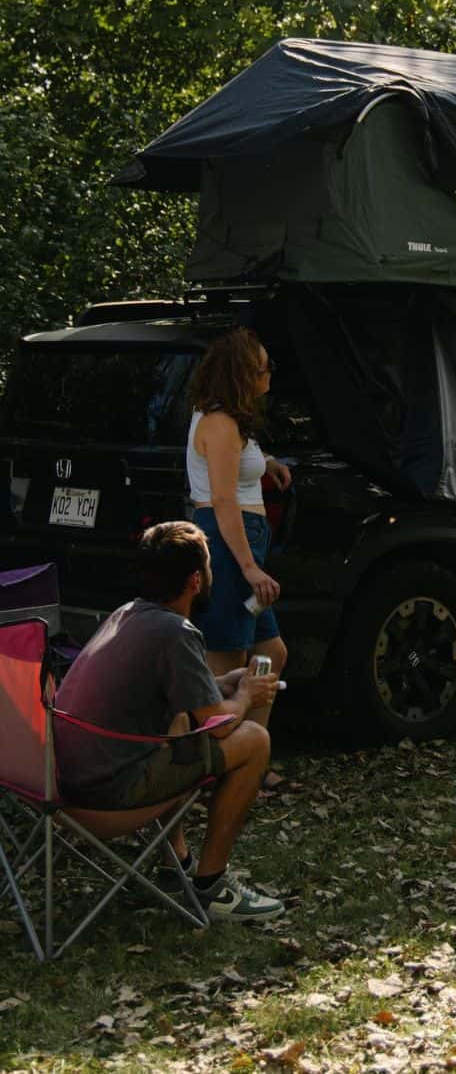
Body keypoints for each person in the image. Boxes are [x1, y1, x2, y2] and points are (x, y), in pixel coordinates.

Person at [54, 521, 285, 921]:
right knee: (253, 740)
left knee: (179, 720)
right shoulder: (175, 631)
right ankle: (212, 887)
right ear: (196, 579)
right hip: (107, 795)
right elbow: (220, 726)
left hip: (64, 780)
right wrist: (247, 697)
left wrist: (222, 683)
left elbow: (178, 694)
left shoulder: (128, 614)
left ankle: (173, 864)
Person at [186, 327, 291, 786]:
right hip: (230, 550)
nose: (269, 376)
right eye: (263, 368)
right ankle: (219, 765)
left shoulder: (228, 420)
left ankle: (253, 757)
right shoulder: (219, 425)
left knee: (271, 653)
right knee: (227, 663)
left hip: (245, 541)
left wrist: (266, 464)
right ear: (242, 374)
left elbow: (237, 467)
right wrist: (249, 567)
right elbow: (223, 501)